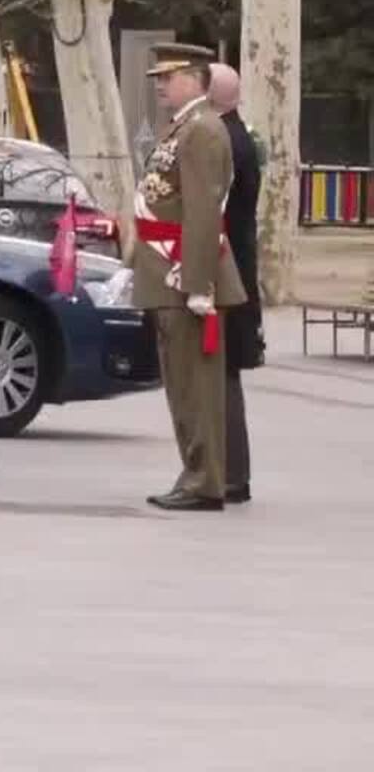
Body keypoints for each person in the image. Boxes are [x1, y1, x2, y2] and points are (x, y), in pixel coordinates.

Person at [132, 43, 248, 512]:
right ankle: (195, 474)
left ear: (195, 78)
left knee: (195, 387)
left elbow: (203, 213)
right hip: (167, 270)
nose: (160, 84)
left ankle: (204, 481)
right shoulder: (183, 127)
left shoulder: (203, 130)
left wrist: (199, 284)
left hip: (186, 275)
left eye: (168, 76)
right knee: (181, 385)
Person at [208, 63, 260, 504]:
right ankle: (229, 472)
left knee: (220, 373)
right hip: (236, 268)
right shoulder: (235, 136)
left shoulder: (224, 141)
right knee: (223, 373)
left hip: (227, 272)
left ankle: (229, 473)